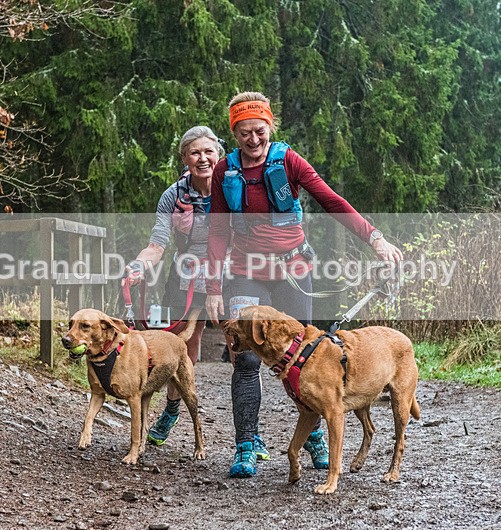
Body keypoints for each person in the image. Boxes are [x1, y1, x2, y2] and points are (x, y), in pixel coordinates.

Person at [204, 92, 403, 478]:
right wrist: (213, 287)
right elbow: (215, 231)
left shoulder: (288, 161)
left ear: (270, 126)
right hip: (244, 270)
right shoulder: (223, 172)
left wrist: (375, 238)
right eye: (244, 133)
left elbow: (332, 201)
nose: (253, 139)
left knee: (307, 357)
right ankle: (246, 444)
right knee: (245, 356)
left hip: (293, 269)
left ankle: (312, 436)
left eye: (259, 131)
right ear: (235, 132)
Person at [126, 125, 223, 447]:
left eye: (209, 151)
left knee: (242, 349)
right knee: (180, 346)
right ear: (184, 157)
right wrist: (138, 266)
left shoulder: (233, 187)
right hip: (186, 275)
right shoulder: (174, 195)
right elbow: (157, 243)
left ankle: (248, 435)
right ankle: (171, 409)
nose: (203, 158)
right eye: (195, 152)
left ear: (218, 154)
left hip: (231, 273)